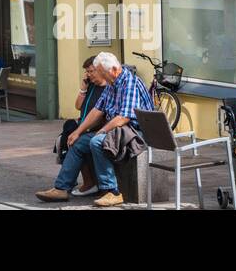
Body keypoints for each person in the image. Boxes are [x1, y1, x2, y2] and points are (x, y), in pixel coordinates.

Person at [36, 51, 153, 207]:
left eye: (101, 73)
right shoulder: (112, 83)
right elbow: (97, 110)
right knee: (77, 142)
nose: (100, 77)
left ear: (113, 69)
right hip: (118, 130)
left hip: (135, 132)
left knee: (97, 141)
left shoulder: (129, 82)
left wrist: (102, 131)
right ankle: (62, 188)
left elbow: (123, 118)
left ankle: (112, 192)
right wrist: (77, 132)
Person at [57, 56, 105, 197]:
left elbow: (100, 115)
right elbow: (78, 106)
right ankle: (72, 184)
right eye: (87, 72)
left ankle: (70, 185)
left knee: (77, 141)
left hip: (96, 129)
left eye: (91, 71)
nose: (88, 74)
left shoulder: (108, 88)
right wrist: (83, 89)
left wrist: (81, 131)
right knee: (67, 136)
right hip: (84, 126)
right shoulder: (91, 86)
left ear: (101, 70)